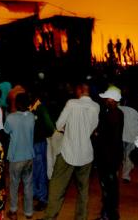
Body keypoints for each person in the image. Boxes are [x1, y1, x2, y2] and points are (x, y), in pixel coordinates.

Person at [41, 82, 100, 220]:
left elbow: (59, 124)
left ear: (79, 90)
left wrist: (68, 128)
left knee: (57, 186)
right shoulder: (96, 106)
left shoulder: (71, 103)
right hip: (86, 154)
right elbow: (92, 128)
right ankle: (81, 217)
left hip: (68, 151)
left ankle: (50, 216)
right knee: (83, 189)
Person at [93, 87, 124, 220]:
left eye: (107, 98)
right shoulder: (118, 112)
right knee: (112, 185)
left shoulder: (109, 115)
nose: (105, 100)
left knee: (107, 186)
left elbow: (106, 137)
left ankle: (108, 214)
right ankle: (111, 211)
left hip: (107, 157)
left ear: (112, 100)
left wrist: (97, 134)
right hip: (113, 156)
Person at [4, 93, 35, 220]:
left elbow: (6, 131)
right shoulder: (32, 116)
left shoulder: (11, 118)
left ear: (16, 103)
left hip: (16, 157)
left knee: (14, 185)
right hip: (29, 156)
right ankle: (28, 213)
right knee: (28, 185)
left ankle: (13, 211)